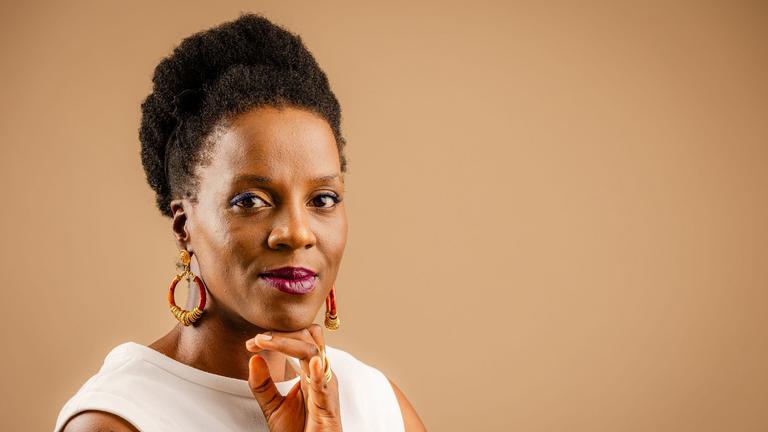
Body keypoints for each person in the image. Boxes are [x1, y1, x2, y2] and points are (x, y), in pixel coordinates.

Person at [54, 13, 426, 432]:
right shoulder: (120, 419)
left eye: (323, 199)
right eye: (250, 201)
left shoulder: (376, 401)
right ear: (184, 226)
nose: (298, 233)